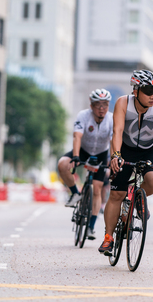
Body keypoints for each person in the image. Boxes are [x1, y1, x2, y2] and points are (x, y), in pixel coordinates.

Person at [98, 69, 153, 255]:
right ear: (135, 90)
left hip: (150, 149)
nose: (152, 96)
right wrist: (116, 155)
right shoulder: (123, 103)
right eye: (148, 91)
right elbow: (117, 131)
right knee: (117, 194)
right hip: (126, 149)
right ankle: (108, 238)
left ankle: (136, 201)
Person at [57, 89, 113, 240]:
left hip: (101, 154)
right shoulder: (83, 115)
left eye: (105, 104)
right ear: (91, 105)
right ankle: (75, 193)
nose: (101, 108)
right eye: (98, 104)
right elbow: (77, 136)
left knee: (97, 189)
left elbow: (114, 141)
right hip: (83, 151)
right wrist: (75, 156)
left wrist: (113, 159)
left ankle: (91, 227)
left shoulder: (111, 119)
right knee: (62, 164)